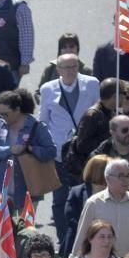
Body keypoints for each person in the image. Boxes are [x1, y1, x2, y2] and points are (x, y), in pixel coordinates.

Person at [39, 56, 100, 246]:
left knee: (86, 196)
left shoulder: (91, 84)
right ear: (58, 69)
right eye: (65, 67)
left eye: (74, 67)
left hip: (85, 153)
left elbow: (99, 113)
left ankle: (85, 238)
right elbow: (43, 121)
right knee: (59, 199)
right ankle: (63, 238)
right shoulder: (47, 89)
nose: (70, 71)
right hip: (59, 153)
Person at [0, 89, 57, 203]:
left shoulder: (37, 127)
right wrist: (10, 150)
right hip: (1, 192)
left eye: (5, 113)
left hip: (27, 192)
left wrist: (30, 149)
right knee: (5, 221)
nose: (2, 117)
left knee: (22, 221)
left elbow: (51, 151)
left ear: (17, 110)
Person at [71, 159, 129, 258]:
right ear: (108, 178)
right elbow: (82, 235)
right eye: (121, 176)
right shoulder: (94, 203)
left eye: (128, 176)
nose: (125, 180)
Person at [61, 156, 110, 258]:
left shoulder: (114, 193)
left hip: (106, 243)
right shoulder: (77, 192)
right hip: (80, 244)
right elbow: (70, 216)